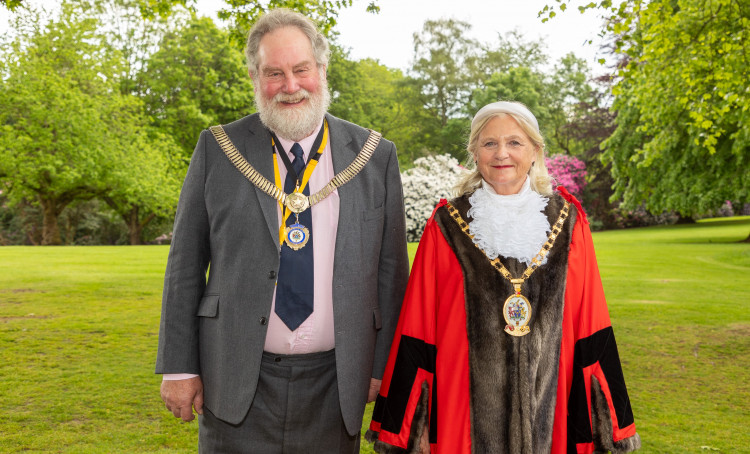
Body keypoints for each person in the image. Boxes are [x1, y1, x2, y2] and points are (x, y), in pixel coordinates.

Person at [155, 8, 409, 453]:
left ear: (322, 71)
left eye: (301, 70)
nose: (290, 86)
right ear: (255, 78)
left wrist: (384, 366)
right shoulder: (218, 148)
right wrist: (178, 367)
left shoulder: (374, 154)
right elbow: (185, 265)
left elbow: (391, 272)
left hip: (336, 382)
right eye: (274, 73)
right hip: (235, 377)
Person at [366, 101, 641, 453]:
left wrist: (604, 417)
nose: (502, 154)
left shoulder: (570, 222)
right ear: (475, 153)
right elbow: (418, 325)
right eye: (489, 143)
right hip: (461, 410)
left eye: (514, 142)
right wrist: (411, 420)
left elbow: (591, 320)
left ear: (535, 151)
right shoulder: (445, 226)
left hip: (553, 402)